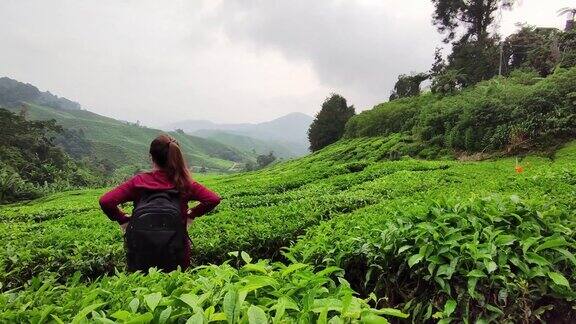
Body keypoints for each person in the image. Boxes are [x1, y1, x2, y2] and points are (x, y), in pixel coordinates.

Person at [99, 134, 221, 270]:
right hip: (177, 254)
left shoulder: (138, 182)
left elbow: (106, 201)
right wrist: (192, 214)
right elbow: (213, 199)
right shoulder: (183, 183)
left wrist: (122, 219)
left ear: (151, 157)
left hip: (141, 253)